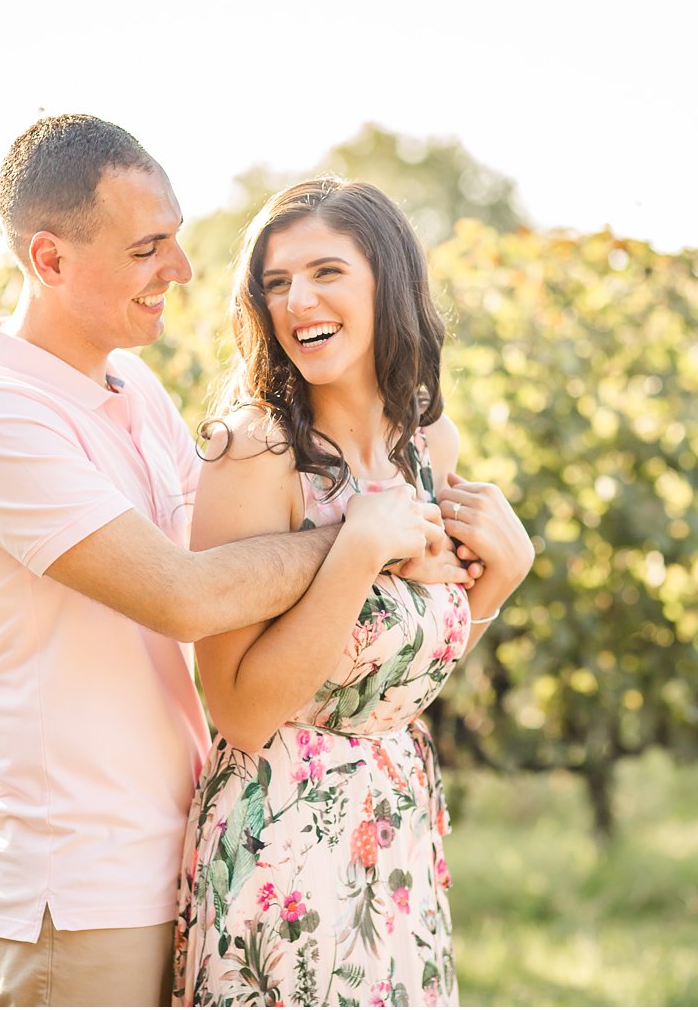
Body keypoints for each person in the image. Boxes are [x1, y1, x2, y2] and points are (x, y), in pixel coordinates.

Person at [0, 116, 473, 1007]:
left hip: (180, 851)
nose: (179, 268)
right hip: (74, 885)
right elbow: (186, 595)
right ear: (50, 260)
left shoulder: (131, 390)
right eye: (148, 248)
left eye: (175, 239)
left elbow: (246, 562)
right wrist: (363, 536)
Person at [172, 179, 534, 1006]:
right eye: (276, 281)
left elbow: (393, 682)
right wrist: (358, 545)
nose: (298, 299)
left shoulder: (428, 438)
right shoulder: (253, 451)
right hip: (280, 850)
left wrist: (496, 588)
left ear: (388, 282)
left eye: (326, 270)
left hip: (397, 835)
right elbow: (238, 710)